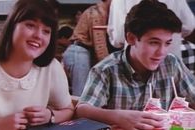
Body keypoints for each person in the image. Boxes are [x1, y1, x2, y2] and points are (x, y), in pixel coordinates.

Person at [76, 0, 195, 130]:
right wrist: (117, 117)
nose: (162, 52)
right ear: (131, 38)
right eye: (154, 43)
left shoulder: (171, 63)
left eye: (167, 43)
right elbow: (82, 110)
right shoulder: (106, 70)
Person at [0, 0, 74, 130]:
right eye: (30, 25)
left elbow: (68, 110)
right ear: (12, 27)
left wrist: (50, 115)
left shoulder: (51, 68)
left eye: (46, 31)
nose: (38, 36)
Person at [62, 0, 118, 96]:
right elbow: (99, 45)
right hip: (79, 52)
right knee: (81, 94)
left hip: (80, 53)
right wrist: (112, 69)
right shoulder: (97, 14)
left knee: (83, 93)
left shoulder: (98, 12)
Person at [107, 0, 195, 59]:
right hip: (170, 57)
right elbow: (189, 25)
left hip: (138, 62)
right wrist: (168, 36)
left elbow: (118, 37)